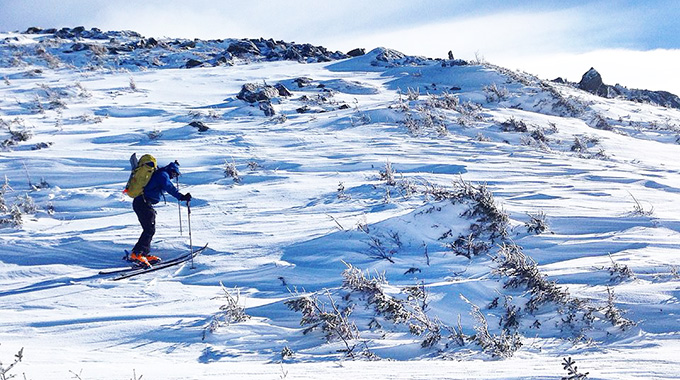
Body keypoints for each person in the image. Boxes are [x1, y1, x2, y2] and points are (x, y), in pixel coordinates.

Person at [130, 161, 191, 267]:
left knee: (149, 228)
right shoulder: (163, 175)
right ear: (171, 171)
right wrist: (181, 196)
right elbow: (169, 187)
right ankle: (138, 254)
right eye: (175, 174)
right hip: (143, 202)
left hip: (142, 202)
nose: (174, 177)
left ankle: (142, 253)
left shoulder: (160, 174)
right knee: (149, 229)